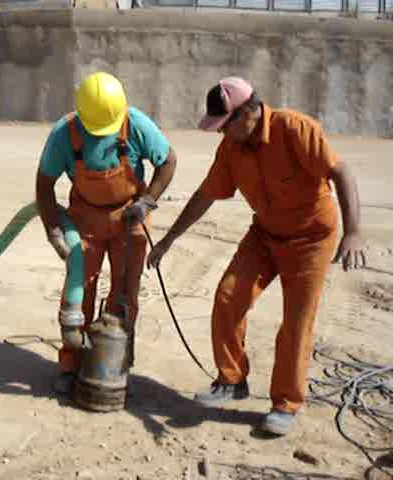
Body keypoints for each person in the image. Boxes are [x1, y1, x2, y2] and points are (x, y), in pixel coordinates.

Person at [147, 76, 365, 435]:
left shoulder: (295, 129)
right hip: (265, 234)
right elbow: (205, 195)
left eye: (224, 125)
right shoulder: (231, 149)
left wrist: (354, 231)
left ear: (248, 112)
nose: (221, 134)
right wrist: (169, 239)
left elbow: (341, 172)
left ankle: (286, 403)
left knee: (296, 321)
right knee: (229, 295)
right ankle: (232, 380)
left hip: (311, 239)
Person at [36, 72, 177, 394]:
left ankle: (116, 362)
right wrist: (54, 230)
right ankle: (72, 362)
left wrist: (146, 201)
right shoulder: (65, 134)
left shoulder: (135, 124)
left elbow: (168, 161)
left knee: (125, 293)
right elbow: (44, 184)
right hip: (85, 219)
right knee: (79, 289)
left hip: (130, 219)